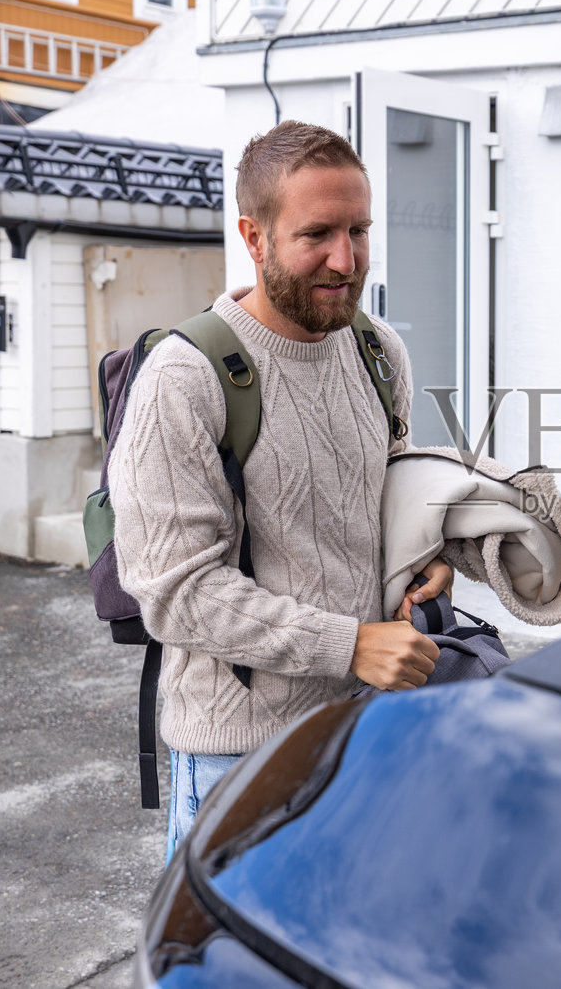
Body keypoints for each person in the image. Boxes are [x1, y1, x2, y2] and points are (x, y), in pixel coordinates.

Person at [107, 121, 453, 857]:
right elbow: (175, 592)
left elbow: (387, 494)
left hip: (367, 723)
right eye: (317, 234)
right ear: (254, 237)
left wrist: (427, 557)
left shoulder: (377, 349)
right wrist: (349, 644)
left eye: (359, 231)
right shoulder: (185, 378)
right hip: (242, 756)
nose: (346, 259)